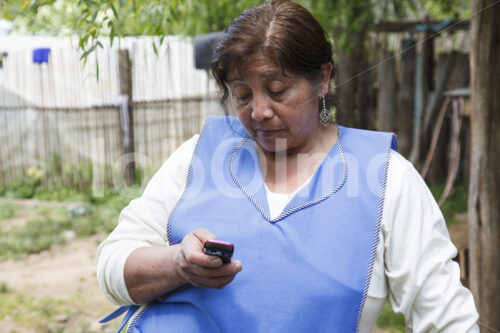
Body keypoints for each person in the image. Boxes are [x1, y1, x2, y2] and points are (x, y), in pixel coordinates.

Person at [97, 0, 479, 331]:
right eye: (242, 94)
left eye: (278, 91)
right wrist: (178, 263)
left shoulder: (386, 179)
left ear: (322, 79)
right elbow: (114, 267)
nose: (259, 111)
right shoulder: (200, 156)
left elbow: (447, 319)